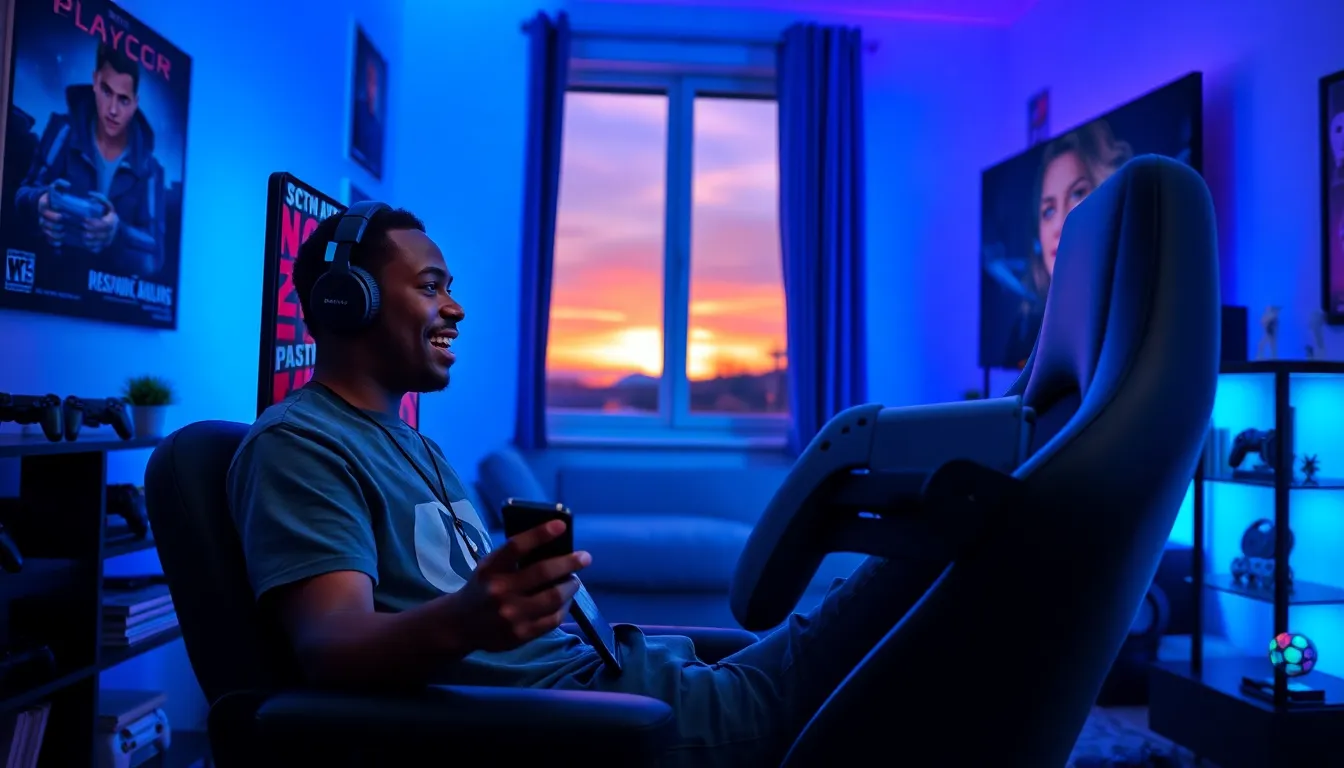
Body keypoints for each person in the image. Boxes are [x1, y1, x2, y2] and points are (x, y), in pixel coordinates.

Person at [226, 207, 947, 767]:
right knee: (929, 580)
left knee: (905, 597)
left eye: (450, 288)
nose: (455, 309)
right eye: (429, 287)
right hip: (584, 724)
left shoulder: (416, 443)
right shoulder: (301, 444)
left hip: (626, 681)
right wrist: (471, 619)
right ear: (347, 304)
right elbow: (330, 646)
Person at [13, 42, 166, 279]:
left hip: (110, 304)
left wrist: (117, 234)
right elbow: (23, 194)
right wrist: (40, 203)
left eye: (123, 99)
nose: (113, 109)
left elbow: (154, 257)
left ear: (135, 103)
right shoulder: (63, 130)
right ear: (94, 82)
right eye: (106, 91)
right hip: (50, 284)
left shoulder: (150, 169)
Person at [1001, 120, 1132, 367]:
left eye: (1077, 194)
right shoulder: (1025, 331)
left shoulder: (1134, 319)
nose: (1061, 223)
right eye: (1048, 211)